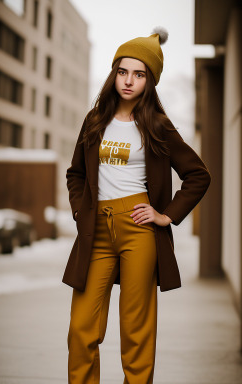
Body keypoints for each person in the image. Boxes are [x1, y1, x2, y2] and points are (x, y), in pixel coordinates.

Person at [63, 26, 211, 383]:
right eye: (123, 71)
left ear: (150, 80)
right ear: (114, 73)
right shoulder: (95, 119)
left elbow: (198, 175)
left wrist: (166, 215)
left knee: (136, 331)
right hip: (95, 229)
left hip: (139, 229)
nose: (129, 80)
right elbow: (76, 173)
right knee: (82, 330)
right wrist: (81, 211)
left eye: (139, 74)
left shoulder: (157, 126)